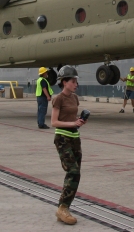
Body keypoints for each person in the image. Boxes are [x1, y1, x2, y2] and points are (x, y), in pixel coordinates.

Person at [51, 66, 86, 225]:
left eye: (76, 81)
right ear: (64, 82)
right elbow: (54, 122)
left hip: (75, 137)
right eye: (73, 81)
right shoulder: (59, 98)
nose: (75, 84)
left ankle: (64, 207)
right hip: (63, 138)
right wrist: (72, 123)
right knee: (72, 170)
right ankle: (62, 208)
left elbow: (72, 116)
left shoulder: (74, 98)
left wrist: (79, 121)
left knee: (76, 173)